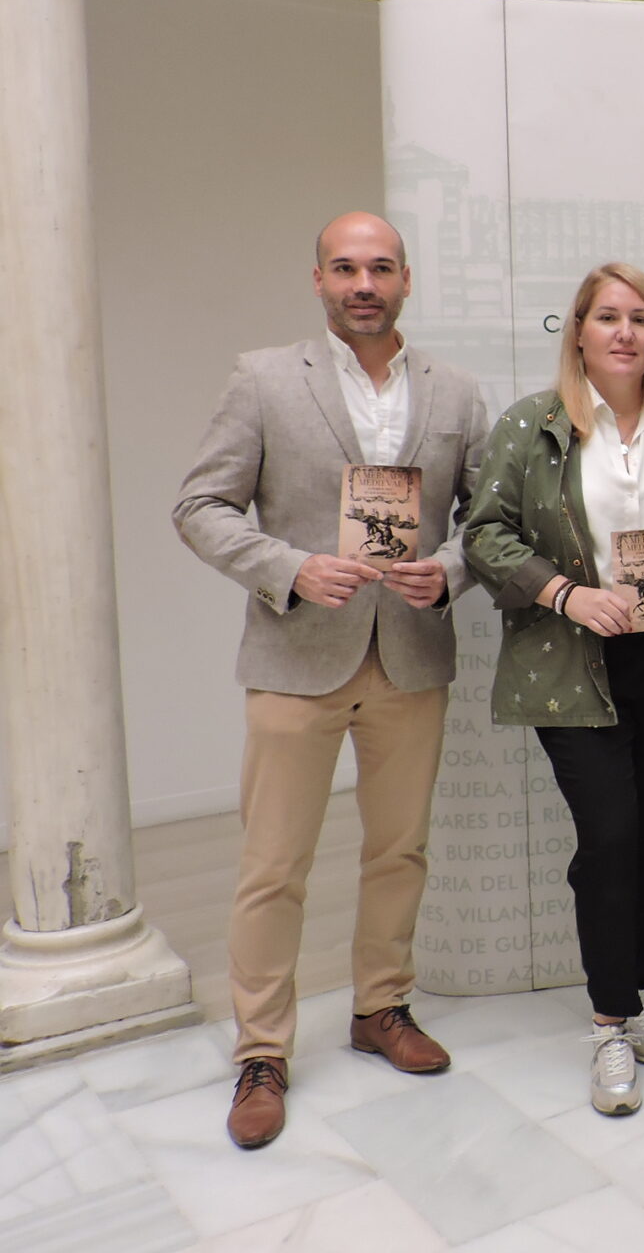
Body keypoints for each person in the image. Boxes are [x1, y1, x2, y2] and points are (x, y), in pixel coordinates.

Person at [174, 212, 490, 1150]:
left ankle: (380, 1007)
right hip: (296, 657)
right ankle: (261, 1052)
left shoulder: (456, 391)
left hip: (411, 656)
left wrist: (453, 570)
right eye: (345, 268)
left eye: (381, 268)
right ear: (317, 279)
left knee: (399, 851)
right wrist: (290, 567)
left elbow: (488, 517)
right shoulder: (264, 378)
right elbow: (200, 505)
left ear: (406, 280)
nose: (364, 284)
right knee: (274, 866)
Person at [463, 264, 644, 1117]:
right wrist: (565, 593)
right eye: (608, 317)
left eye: (641, 318)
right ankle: (608, 1022)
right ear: (578, 330)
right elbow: (483, 534)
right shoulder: (532, 425)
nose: (625, 332)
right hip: (571, 665)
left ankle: (634, 992)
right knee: (611, 837)